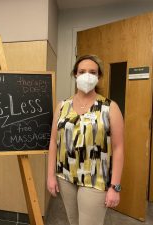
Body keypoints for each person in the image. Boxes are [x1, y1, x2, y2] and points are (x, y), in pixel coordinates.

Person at [47, 55, 124, 225]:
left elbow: (118, 148)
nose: (87, 75)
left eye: (92, 72)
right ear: (75, 74)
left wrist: (115, 187)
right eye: (82, 71)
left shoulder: (110, 107)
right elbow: (53, 141)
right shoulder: (62, 106)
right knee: (73, 221)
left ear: (99, 77)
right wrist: (50, 175)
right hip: (66, 176)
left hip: (96, 178)